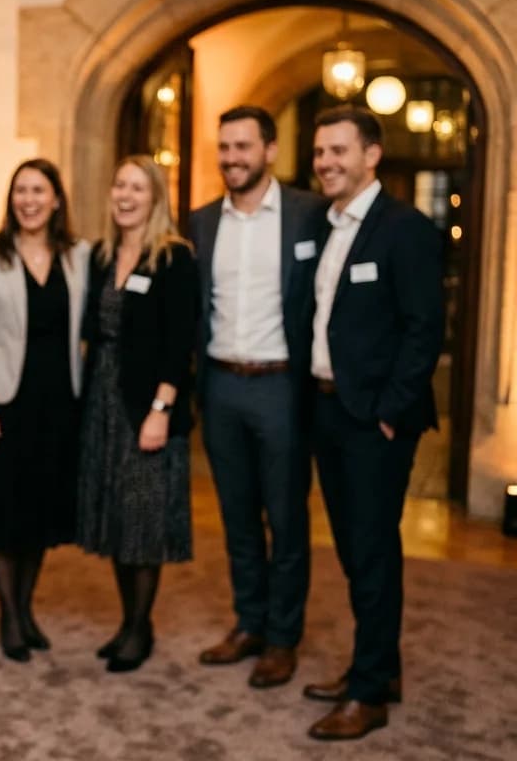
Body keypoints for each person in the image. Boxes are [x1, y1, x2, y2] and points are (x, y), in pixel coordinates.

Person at [303, 106, 443, 742]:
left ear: (371, 155)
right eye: (319, 153)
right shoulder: (325, 224)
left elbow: (424, 329)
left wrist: (391, 410)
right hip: (328, 410)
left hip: (374, 421)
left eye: (338, 151)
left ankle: (369, 695)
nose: (326, 163)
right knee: (357, 553)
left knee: (374, 551)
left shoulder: (404, 228)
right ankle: (376, 668)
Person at [190, 106, 326, 688]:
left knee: (287, 518)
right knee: (237, 515)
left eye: (242, 147)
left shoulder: (308, 216)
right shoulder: (199, 222)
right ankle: (248, 622)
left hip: (281, 386)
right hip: (220, 385)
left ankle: (281, 637)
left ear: (270, 150)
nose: (231, 159)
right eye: (223, 148)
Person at [0, 158, 90, 662]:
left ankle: (26, 607)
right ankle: (10, 615)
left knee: (40, 514)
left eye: (39, 191)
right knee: (3, 513)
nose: (29, 200)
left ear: (57, 198)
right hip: (4, 400)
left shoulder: (79, 254)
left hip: (59, 401)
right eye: (21, 192)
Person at [75, 155, 198, 673]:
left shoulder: (174, 257)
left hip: (147, 405)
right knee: (117, 518)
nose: (125, 195)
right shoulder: (102, 254)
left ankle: (139, 628)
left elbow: (180, 343)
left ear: (155, 198)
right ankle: (129, 622)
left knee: (144, 522)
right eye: (119, 185)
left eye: (137, 187)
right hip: (102, 400)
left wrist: (161, 409)